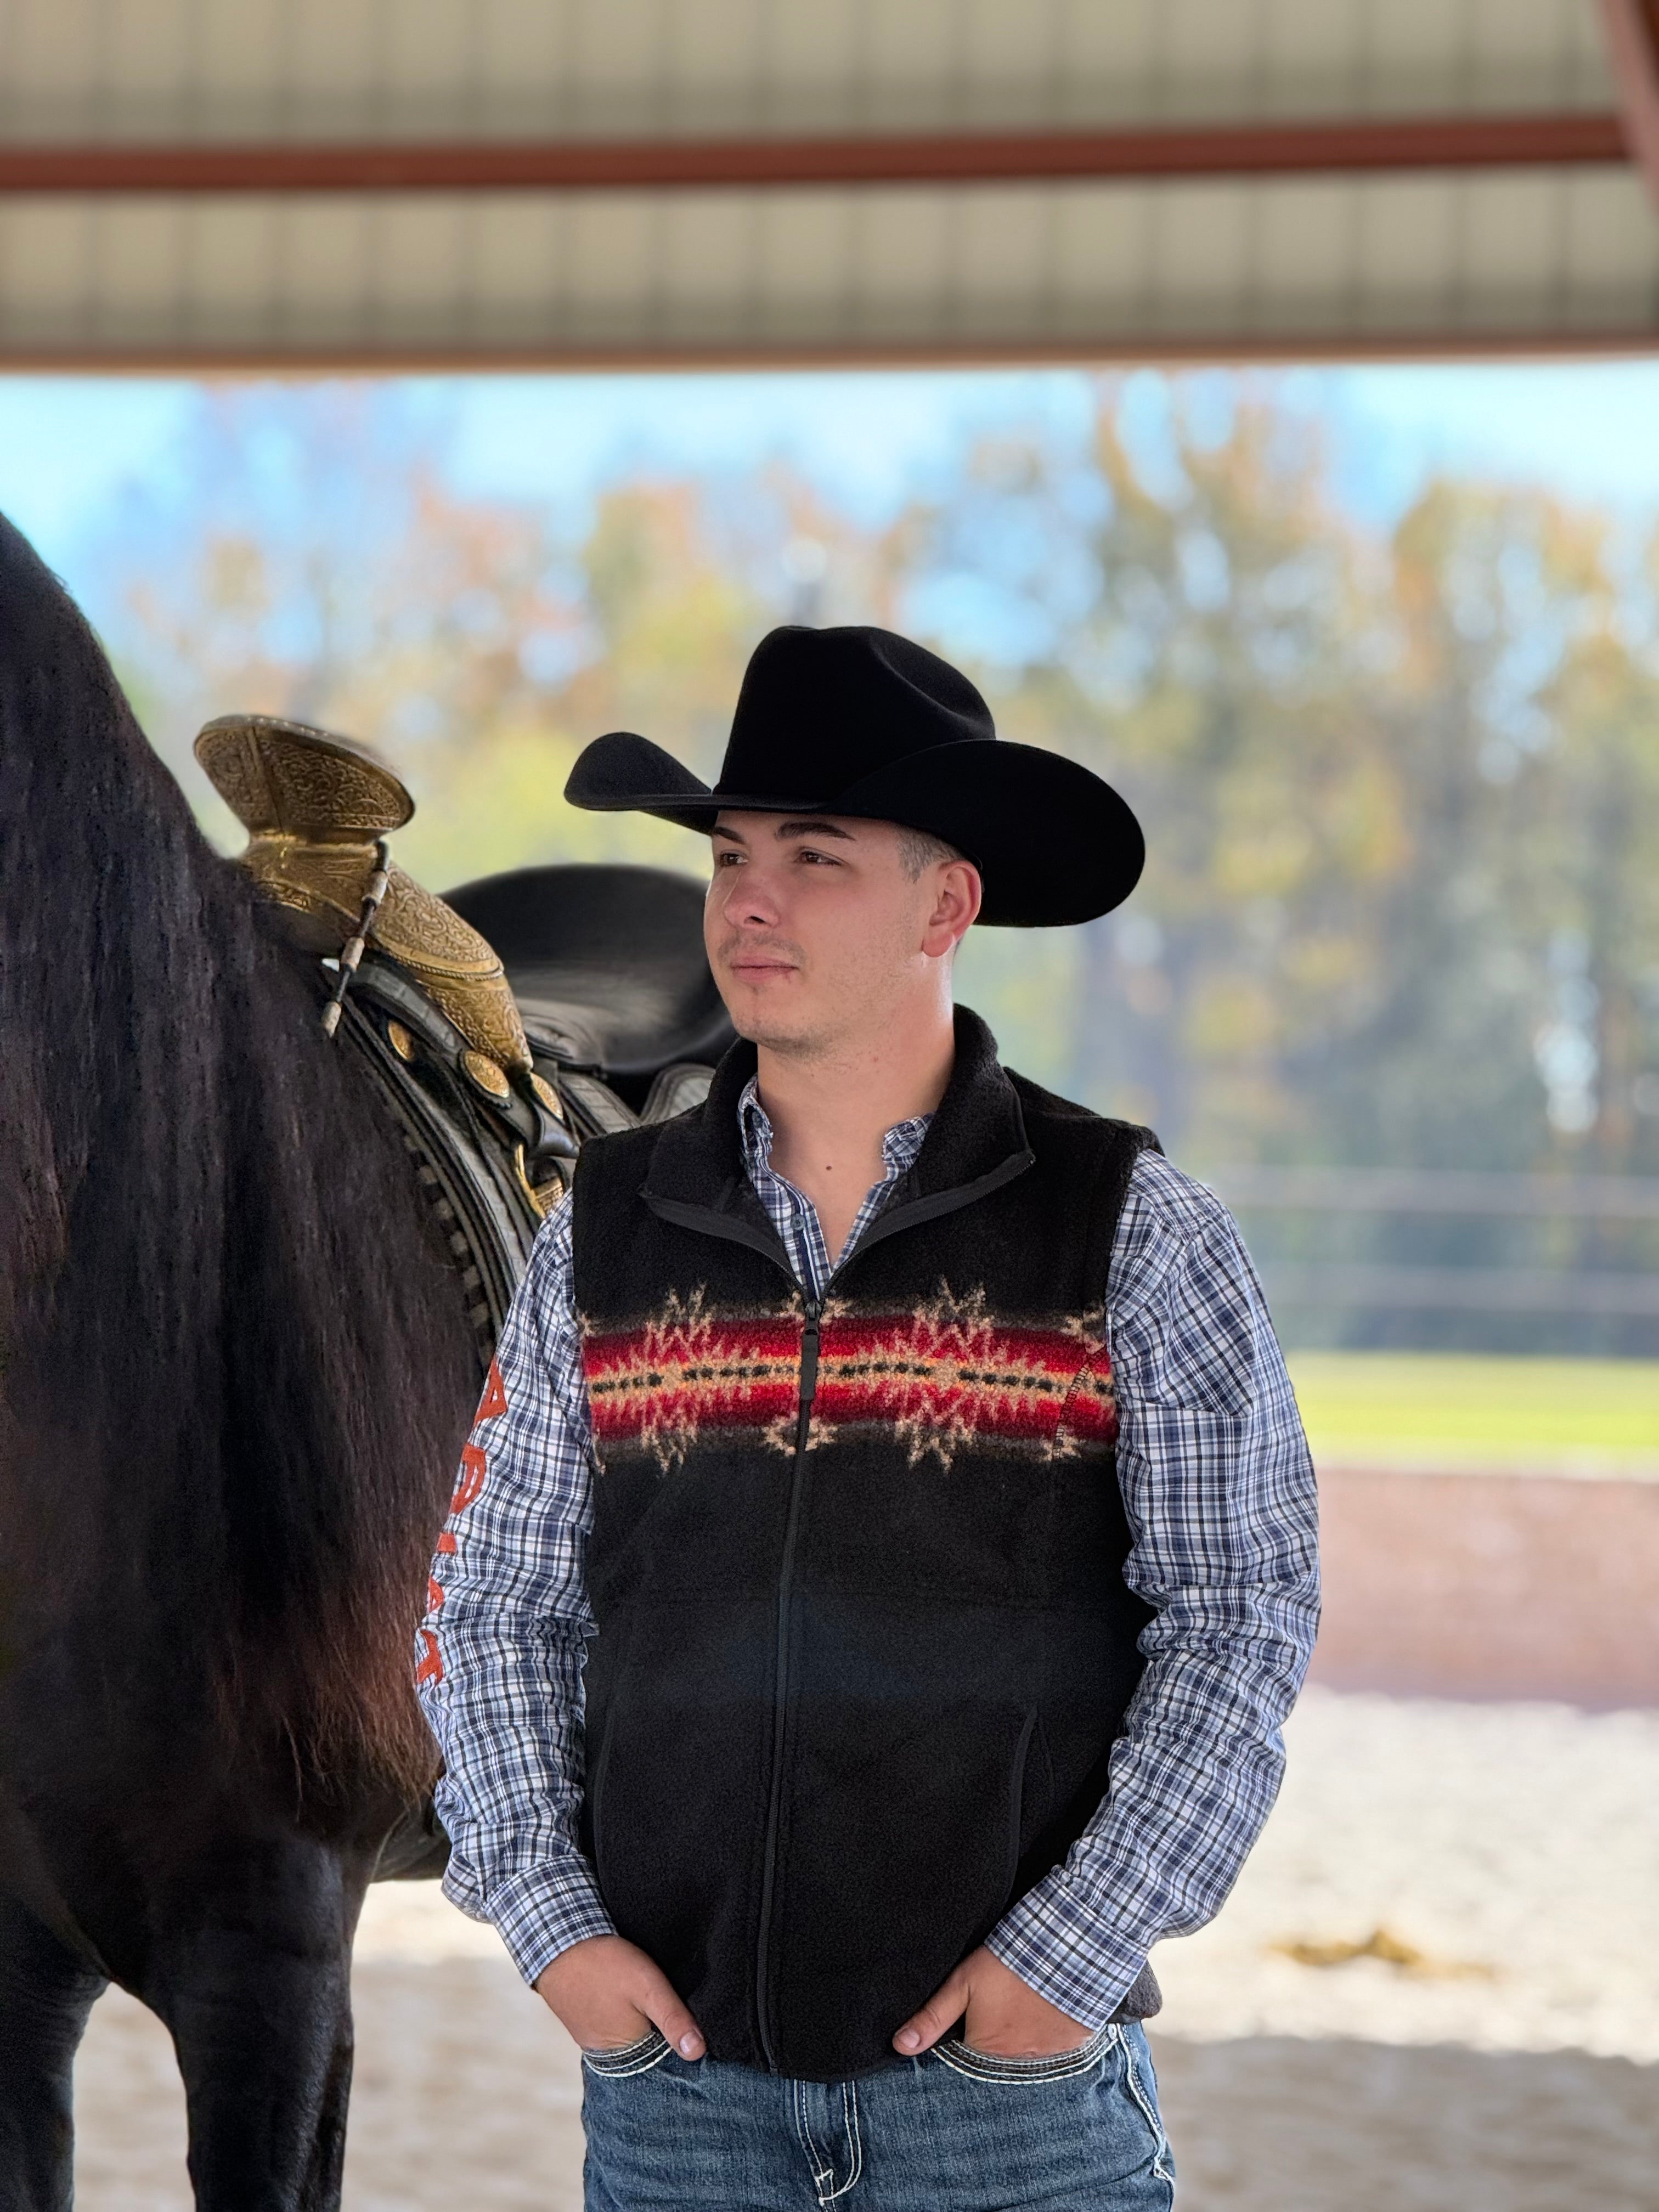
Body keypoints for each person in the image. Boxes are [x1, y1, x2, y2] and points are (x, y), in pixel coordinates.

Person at [415, 625, 1319, 2212]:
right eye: (732, 857)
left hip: (1010, 2106)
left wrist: (1069, 1957)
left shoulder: (1133, 1231)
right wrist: (553, 1931)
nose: (749, 900)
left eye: (816, 857)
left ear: (945, 906)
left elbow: (1241, 1616)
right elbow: (490, 1605)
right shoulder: (602, 1230)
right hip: (678, 2098)